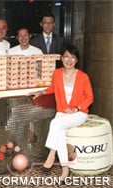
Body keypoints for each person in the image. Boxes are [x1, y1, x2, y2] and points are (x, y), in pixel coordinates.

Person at [28, 45, 94, 183]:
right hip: (63, 112)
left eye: (73, 57)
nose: (69, 60)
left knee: (55, 123)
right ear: (61, 58)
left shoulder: (83, 76)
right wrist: (41, 92)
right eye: (66, 56)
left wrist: (76, 108)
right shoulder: (57, 73)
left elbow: (90, 98)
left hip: (79, 113)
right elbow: (53, 88)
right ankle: (65, 168)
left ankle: (51, 156)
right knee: (60, 132)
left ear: (76, 60)